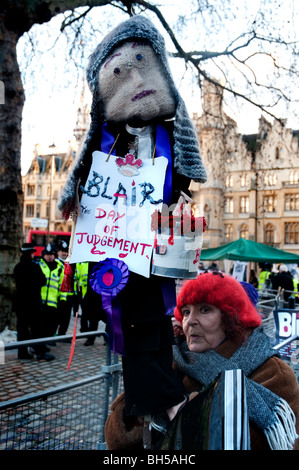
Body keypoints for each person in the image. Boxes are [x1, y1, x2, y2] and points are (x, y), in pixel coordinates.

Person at [58, 15, 206, 423]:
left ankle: (157, 397)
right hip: (115, 254)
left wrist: (176, 199)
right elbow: (86, 179)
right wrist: (73, 198)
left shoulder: (166, 134)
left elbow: (181, 175)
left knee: (157, 319)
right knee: (134, 321)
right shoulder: (107, 139)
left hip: (154, 246)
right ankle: (158, 399)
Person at [104, 272, 299, 450]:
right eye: (186, 312)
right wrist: (142, 399)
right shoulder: (171, 362)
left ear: (232, 318)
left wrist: (190, 412)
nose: (190, 321)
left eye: (205, 310)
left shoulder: (272, 372)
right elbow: (116, 441)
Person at [13, 243, 53, 361]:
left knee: (22, 329)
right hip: (33, 303)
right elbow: (43, 281)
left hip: (20, 303)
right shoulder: (34, 266)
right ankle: (40, 352)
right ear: (31, 253)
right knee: (37, 329)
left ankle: (22, 353)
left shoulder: (17, 267)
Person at [75, 262, 106, 346]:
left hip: (105, 295)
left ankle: (107, 339)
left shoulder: (106, 263)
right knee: (93, 320)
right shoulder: (89, 264)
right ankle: (91, 339)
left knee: (108, 320)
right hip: (91, 294)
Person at [40, 243, 63, 339]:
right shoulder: (39, 266)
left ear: (54, 255)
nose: (49, 257)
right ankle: (42, 342)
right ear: (44, 255)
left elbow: (62, 286)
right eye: (47, 255)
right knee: (41, 324)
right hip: (40, 301)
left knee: (52, 324)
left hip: (53, 302)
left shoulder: (60, 268)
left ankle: (48, 340)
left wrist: (63, 298)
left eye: (51, 255)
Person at [56, 240, 76, 340]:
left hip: (70, 294)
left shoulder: (70, 263)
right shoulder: (56, 263)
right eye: (62, 251)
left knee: (66, 316)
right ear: (58, 252)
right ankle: (53, 336)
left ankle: (62, 334)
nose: (64, 253)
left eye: (65, 251)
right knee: (57, 316)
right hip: (59, 295)